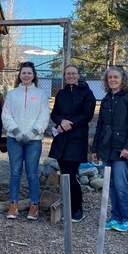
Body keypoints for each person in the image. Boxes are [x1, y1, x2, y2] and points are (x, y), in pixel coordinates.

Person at [92, 65, 128, 232]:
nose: (112, 80)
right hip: (107, 147)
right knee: (110, 184)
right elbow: (100, 125)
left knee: (121, 184)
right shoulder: (106, 99)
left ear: (122, 79)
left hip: (122, 149)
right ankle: (115, 217)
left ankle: (127, 219)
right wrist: (95, 149)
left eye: (115, 77)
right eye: (109, 78)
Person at [2, 61, 50, 221]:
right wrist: (16, 131)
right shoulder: (12, 94)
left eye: (29, 73)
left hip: (34, 140)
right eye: (24, 73)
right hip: (14, 139)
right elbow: (6, 115)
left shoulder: (41, 94)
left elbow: (44, 116)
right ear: (20, 75)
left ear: (33, 75)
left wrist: (32, 133)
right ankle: (13, 204)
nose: (26, 75)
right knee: (15, 173)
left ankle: (34, 206)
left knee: (31, 173)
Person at [48, 65, 96, 222]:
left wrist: (70, 123)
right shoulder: (61, 94)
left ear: (78, 75)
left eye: (73, 73)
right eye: (68, 74)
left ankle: (77, 209)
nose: (70, 76)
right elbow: (54, 113)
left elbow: (87, 115)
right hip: (62, 139)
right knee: (64, 175)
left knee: (71, 175)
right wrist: (61, 121)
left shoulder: (87, 93)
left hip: (77, 139)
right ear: (64, 76)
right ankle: (66, 206)